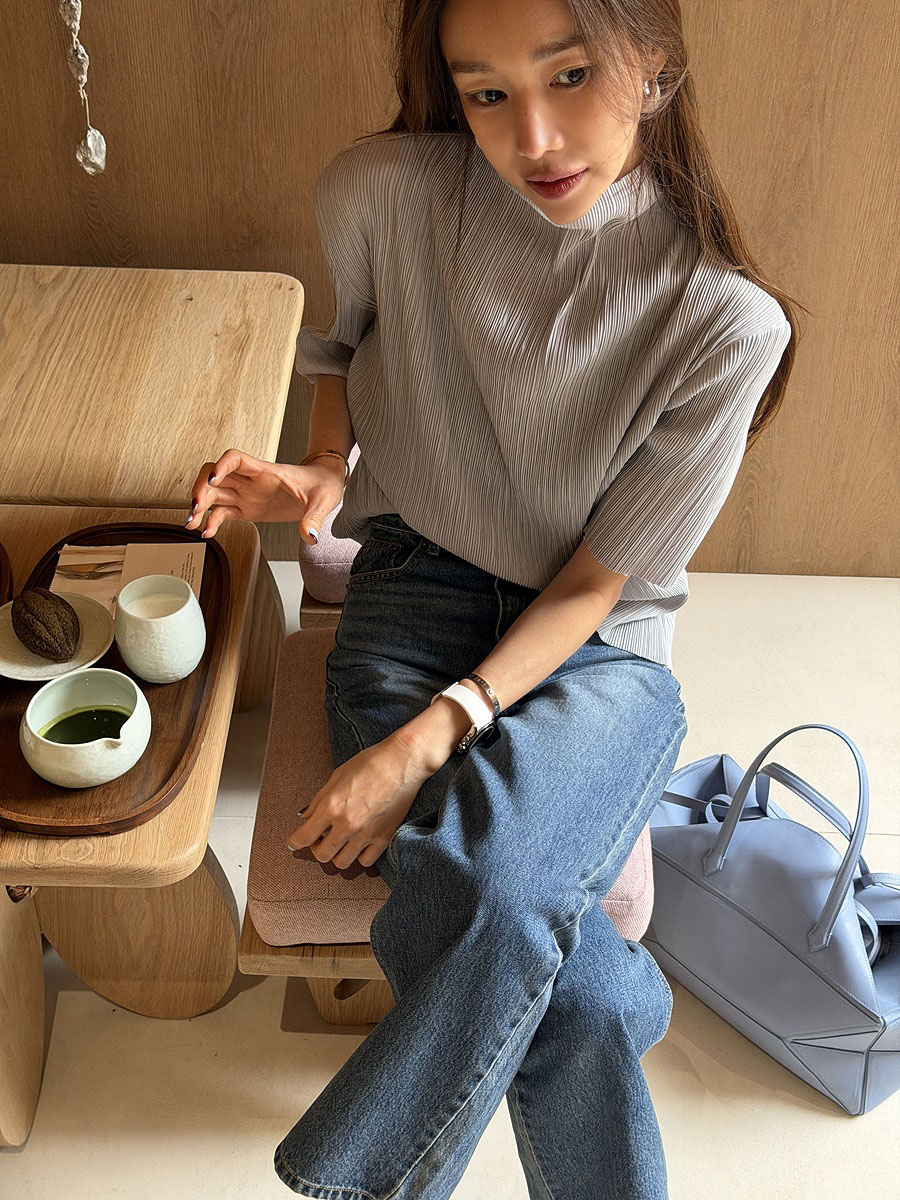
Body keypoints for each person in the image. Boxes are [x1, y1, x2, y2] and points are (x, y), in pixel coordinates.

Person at [188, 0, 804, 1195]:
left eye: (570, 76)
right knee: (564, 973)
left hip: (599, 648)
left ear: (654, 65)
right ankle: (618, 998)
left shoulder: (728, 326)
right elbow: (343, 351)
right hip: (412, 593)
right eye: (486, 93)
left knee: (493, 885)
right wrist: (323, 468)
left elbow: (596, 584)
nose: (533, 137)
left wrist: (425, 740)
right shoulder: (381, 194)